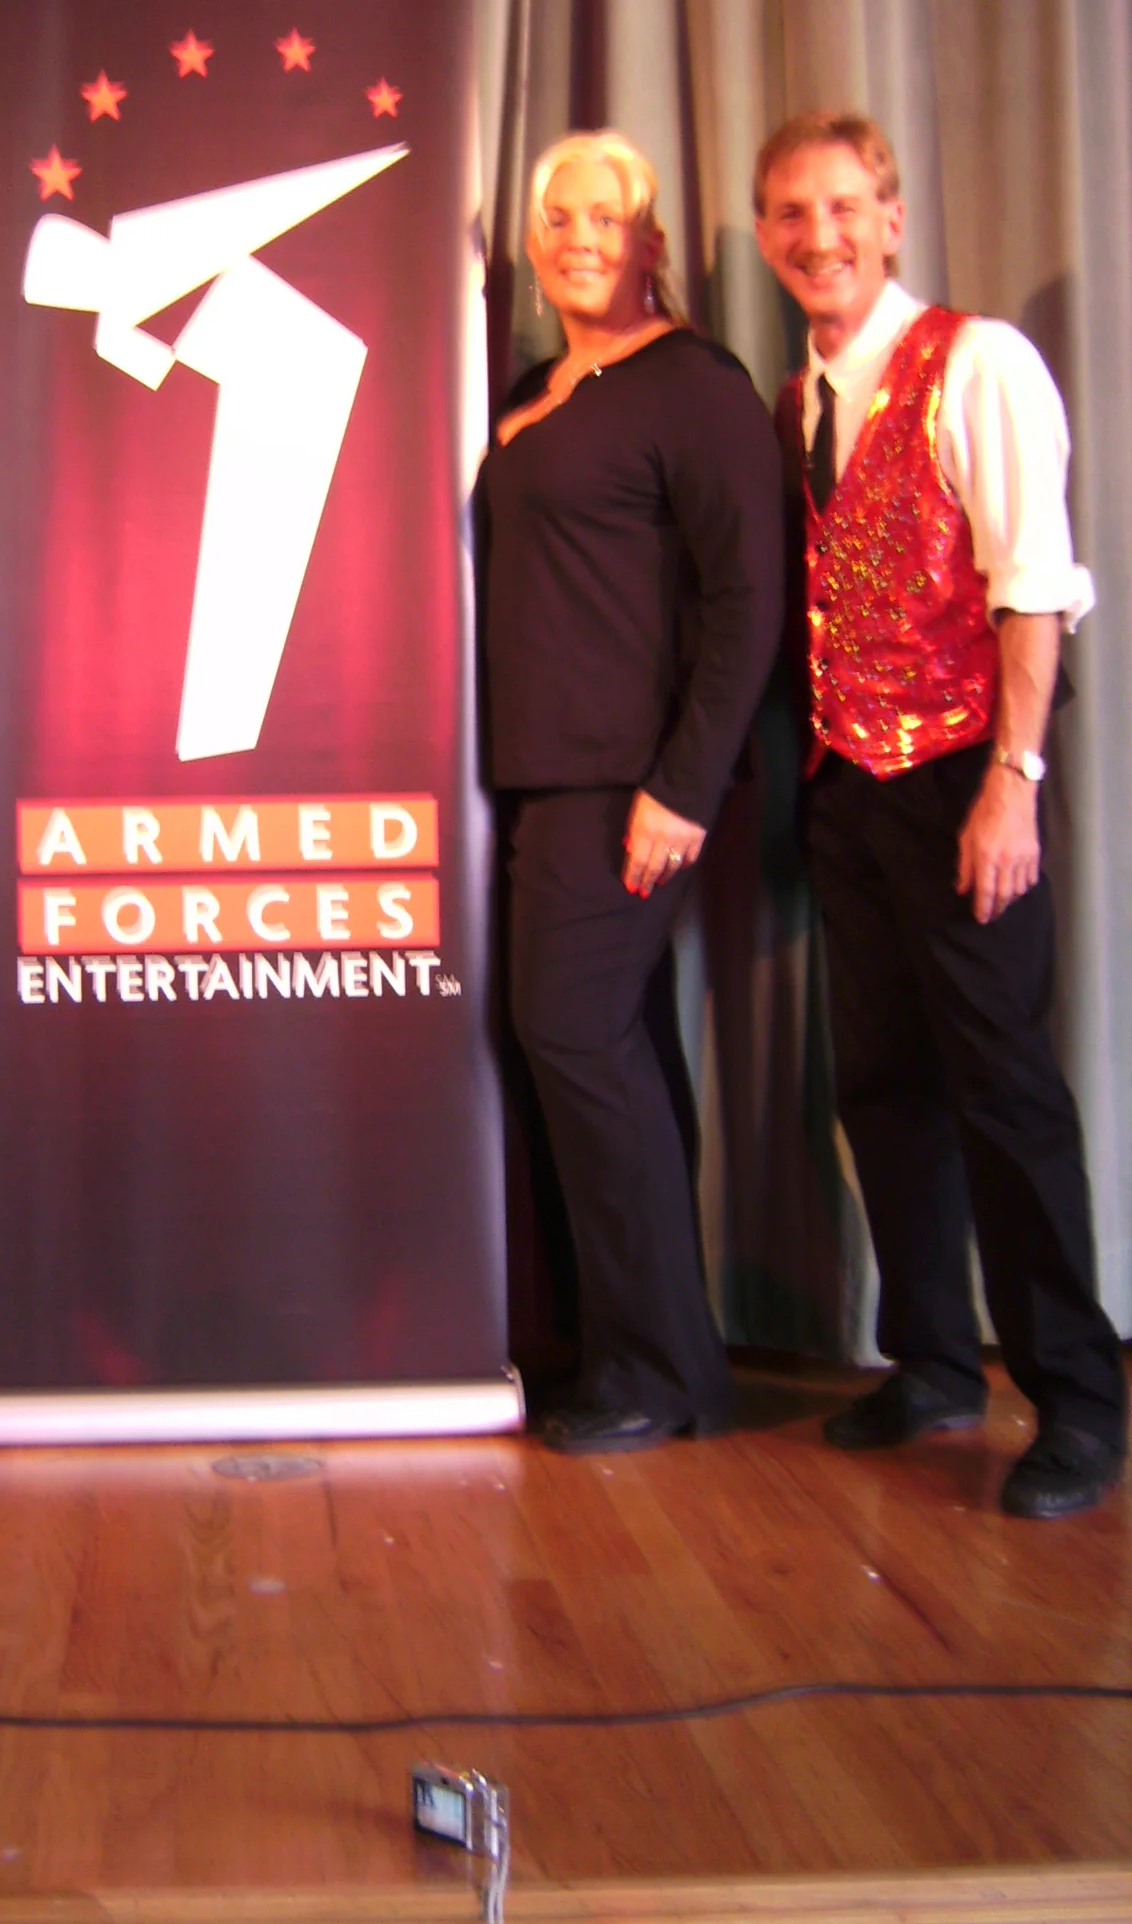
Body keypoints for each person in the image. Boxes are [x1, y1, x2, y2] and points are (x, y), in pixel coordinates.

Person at [754, 109, 1127, 1519]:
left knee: (1007, 1098)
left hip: (970, 783)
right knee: (885, 1092)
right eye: (789, 215)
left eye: (842, 207)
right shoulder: (801, 404)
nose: (817, 237)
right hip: (849, 792)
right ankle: (931, 1366)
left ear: (892, 219)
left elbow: (1035, 582)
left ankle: (1081, 1405)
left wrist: (1013, 784)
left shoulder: (979, 363)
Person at [477, 129, 783, 1454]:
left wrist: (685, 785)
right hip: (536, 784)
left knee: (574, 1038)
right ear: (537, 242)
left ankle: (654, 1371)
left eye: (612, 215)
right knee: (620, 1054)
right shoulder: (543, 384)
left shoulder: (695, 386)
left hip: (626, 789)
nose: (583, 233)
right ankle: (659, 1361)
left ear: (655, 243)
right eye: (561, 214)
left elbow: (749, 601)